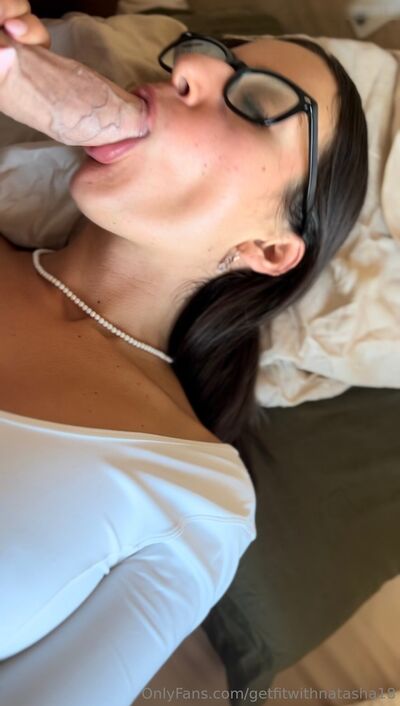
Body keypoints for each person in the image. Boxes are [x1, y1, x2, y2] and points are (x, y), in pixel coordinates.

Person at [0, 3, 368, 704]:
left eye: (257, 105)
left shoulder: (197, 501)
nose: (188, 64)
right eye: (203, 52)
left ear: (268, 249)